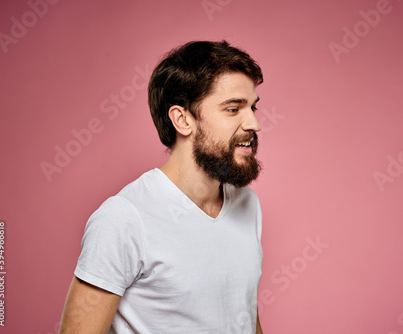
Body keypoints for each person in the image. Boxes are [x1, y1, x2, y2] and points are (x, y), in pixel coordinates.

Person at [59, 40, 265, 333]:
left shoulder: (248, 204)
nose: (254, 123)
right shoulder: (124, 218)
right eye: (233, 109)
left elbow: (243, 313)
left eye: (253, 107)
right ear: (182, 119)